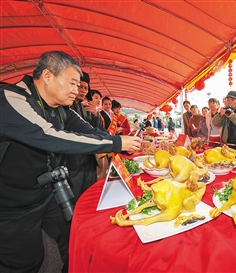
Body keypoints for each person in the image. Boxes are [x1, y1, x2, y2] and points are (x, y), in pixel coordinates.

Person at [0, 50, 141, 273]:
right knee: (26, 262)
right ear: (47, 76)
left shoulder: (62, 109)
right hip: (13, 204)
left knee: (74, 241)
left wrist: (125, 141)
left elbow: (92, 132)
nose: (77, 91)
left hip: (49, 192)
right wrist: (116, 143)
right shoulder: (12, 98)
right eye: (72, 83)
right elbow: (48, 136)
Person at [66, 72, 101, 201]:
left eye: (86, 88)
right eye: (80, 86)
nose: (83, 91)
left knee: (89, 192)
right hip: (74, 160)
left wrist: (96, 115)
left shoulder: (83, 107)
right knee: (75, 193)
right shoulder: (64, 106)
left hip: (89, 156)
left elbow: (94, 129)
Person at [213, 90, 236, 157]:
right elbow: (215, 123)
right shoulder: (225, 111)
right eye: (228, 100)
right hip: (227, 145)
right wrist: (220, 115)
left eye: (232, 100)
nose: (230, 102)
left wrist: (232, 116)